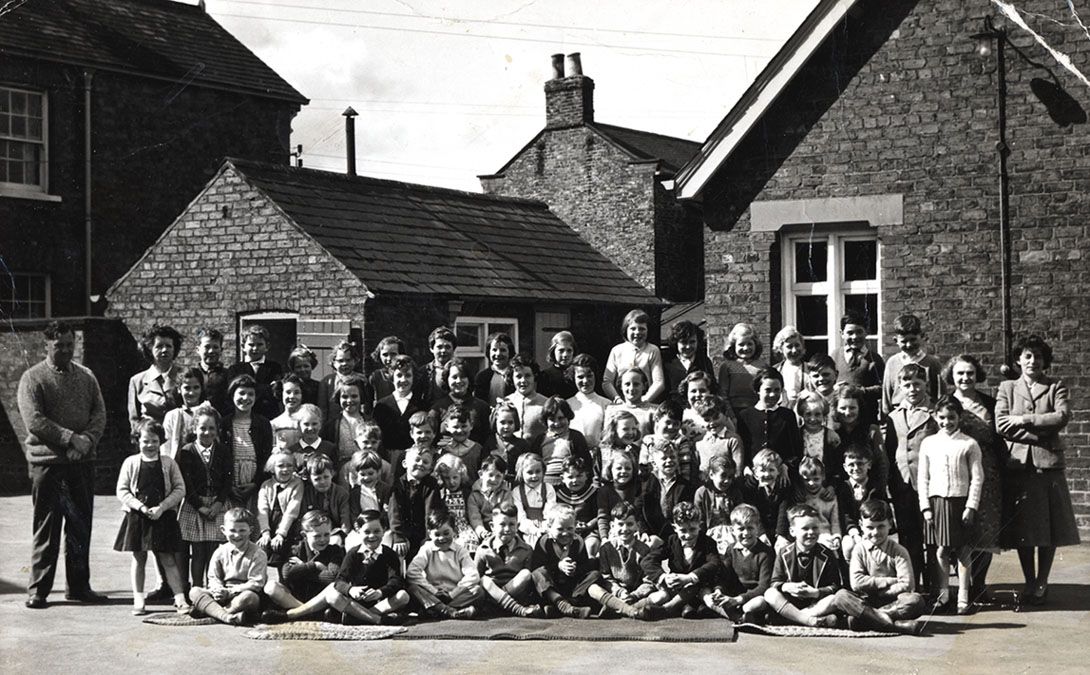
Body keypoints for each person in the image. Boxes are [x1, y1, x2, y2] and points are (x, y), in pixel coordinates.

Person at [18, 320, 108, 609]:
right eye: (59, 345)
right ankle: (39, 590)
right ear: (47, 345)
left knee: (80, 526)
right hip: (48, 464)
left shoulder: (87, 377)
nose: (66, 350)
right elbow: (35, 420)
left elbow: (99, 413)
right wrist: (70, 439)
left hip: (82, 462)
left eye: (70, 344)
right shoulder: (33, 379)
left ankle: (79, 587)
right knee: (47, 525)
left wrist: (86, 442)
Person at [995, 335, 1080, 608]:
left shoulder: (1056, 386)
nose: (1033, 362)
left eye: (1039, 357)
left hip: (1048, 467)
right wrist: (1041, 434)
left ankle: (1042, 582)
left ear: (1045, 361)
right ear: (1018, 360)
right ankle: (1028, 580)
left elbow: (1061, 417)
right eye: (1028, 356)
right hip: (1018, 466)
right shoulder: (1007, 387)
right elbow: (1001, 425)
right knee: (1023, 529)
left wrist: (1025, 419)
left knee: (1048, 528)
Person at [944, 354, 1003, 603]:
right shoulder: (946, 404)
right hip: (957, 472)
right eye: (960, 373)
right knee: (960, 530)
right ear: (952, 376)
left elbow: (999, 437)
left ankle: (979, 584)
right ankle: (962, 587)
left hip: (987, 473)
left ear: (977, 375)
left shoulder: (990, 403)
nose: (965, 378)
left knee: (984, 531)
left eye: (969, 373)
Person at [114, 418, 189, 615]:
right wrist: (139, 506)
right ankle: (139, 599)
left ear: (161, 441)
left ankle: (180, 599)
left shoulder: (168, 463)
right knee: (139, 558)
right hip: (138, 517)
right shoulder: (130, 463)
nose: (150, 445)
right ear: (137, 440)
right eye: (146, 441)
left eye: (154, 441)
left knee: (168, 558)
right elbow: (122, 491)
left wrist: (162, 507)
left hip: (162, 517)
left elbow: (180, 488)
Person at [883, 364, 936, 587]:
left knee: (931, 538)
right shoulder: (894, 416)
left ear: (925, 384)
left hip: (929, 484)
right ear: (900, 387)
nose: (913, 389)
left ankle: (935, 587)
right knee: (908, 538)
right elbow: (890, 449)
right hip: (902, 484)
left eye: (917, 384)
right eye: (907, 385)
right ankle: (914, 586)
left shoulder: (934, 413)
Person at [847, 499, 926, 634]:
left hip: (893, 602)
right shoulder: (859, 549)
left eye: (881, 526)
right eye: (870, 527)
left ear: (890, 524)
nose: (876, 532)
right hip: (867, 601)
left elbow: (907, 584)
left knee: (916, 601)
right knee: (844, 597)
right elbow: (856, 582)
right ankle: (896, 624)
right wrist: (890, 581)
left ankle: (871, 618)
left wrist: (878, 591)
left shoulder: (898, 551)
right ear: (861, 525)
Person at [176, 404, 231, 592]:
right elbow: (186, 483)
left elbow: (227, 481)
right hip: (195, 506)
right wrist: (200, 506)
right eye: (202, 428)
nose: (207, 432)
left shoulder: (223, 451)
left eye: (211, 428)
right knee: (198, 551)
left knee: (214, 551)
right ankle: (197, 589)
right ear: (194, 429)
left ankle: (214, 588)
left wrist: (218, 503)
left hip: (217, 505)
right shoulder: (187, 451)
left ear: (217, 430)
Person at [763, 504, 846, 628]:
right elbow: (775, 582)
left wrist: (815, 593)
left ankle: (792, 618)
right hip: (790, 602)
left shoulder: (827, 554)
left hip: (816, 604)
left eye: (815, 528)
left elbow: (835, 586)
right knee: (770, 594)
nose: (811, 532)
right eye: (805, 528)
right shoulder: (783, 552)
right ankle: (809, 621)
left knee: (834, 599)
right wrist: (787, 587)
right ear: (792, 531)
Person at [327, 510, 411, 624]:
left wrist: (380, 592)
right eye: (366, 532)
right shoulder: (353, 553)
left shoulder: (389, 554)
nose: (372, 536)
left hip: (380, 602)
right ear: (358, 531)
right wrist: (351, 590)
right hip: (358, 601)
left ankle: (358, 617)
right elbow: (340, 581)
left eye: (377, 531)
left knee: (403, 596)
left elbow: (396, 581)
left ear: (384, 531)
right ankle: (376, 619)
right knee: (332, 595)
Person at [261, 510, 345, 622]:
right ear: (304, 535)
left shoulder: (335, 550)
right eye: (317, 536)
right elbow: (287, 574)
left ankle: (297, 614)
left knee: (334, 589)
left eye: (326, 534)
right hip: (294, 598)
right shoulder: (295, 549)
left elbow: (332, 578)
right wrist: (315, 565)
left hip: (320, 599)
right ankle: (308, 614)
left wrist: (302, 568)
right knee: (271, 586)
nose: (323, 539)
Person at [188, 507, 267, 625]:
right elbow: (213, 577)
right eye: (232, 530)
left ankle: (217, 613)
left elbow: (256, 583)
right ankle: (227, 616)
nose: (237, 535)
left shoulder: (258, 553)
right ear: (223, 530)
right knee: (194, 591)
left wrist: (230, 592)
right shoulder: (220, 551)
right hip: (223, 595)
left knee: (249, 597)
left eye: (242, 531)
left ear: (250, 530)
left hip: (242, 594)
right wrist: (217, 590)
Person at [645, 501, 720, 618]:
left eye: (692, 529)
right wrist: (663, 577)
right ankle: (633, 607)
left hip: (699, 587)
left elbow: (714, 563)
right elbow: (648, 560)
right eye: (683, 531)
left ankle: (667, 609)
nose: (688, 535)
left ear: (700, 525)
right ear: (675, 528)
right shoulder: (671, 541)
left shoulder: (707, 542)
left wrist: (690, 577)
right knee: (660, 596)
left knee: (696, 589)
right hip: (676, 587)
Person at [586, 502, 660, 620]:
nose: (625, 529)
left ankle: (617, 609)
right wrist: (620, 592)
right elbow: (606, 577)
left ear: (637, 526)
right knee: (593, 589)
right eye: (620, 524)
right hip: (615, 593)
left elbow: (649, 582)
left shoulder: (644, 550)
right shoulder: (606, 548)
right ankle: (631, 611)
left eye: (630, 524)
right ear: (612, 526)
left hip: (636, 595)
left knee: (660, 595)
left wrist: (634, 595)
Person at [406, 509, 484, 619]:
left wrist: (453, 594)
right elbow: (412, 572)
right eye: (437, 534)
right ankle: (449, 611)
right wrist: (433, 591)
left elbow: (473, 575)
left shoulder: (460, 551)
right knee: (413, 588)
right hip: (433, 594)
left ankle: (435, 610)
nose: (442, 538)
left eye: (446, 533)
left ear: (454, 531)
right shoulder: (427, 549)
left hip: (455, 594)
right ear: (429, 533)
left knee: (478, 591)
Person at [474, 501, 545, 618]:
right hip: (491, 591)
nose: (507, 529)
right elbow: (476, 577)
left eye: (512, 524)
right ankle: (518, 610)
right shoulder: (483, 550)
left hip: (515, 594)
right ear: (492, 526)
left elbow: (529, 583)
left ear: (517, 525)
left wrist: (501, 594)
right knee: (484, 580)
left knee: (526, 574)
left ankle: (498, 606)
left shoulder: (526, 549)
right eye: (502, 524)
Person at [705, 504, 772, 623]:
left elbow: (764, 586)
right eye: (741, 529)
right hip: (733, 595)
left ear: (757, 527)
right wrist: (719, 590)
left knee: (758, 603)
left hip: (753, 596)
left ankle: (737, 615)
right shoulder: (731, 550)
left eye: (750, 528)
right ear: (733, 530)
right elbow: (723, 576)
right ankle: (741, 617)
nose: (746, 533)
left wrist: (738, 600)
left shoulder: (765, 552)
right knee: (709, 598)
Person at [530, 504, 599, 618]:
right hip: (551, 588)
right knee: (538, 573)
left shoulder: (579, 541)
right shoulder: (544, 542)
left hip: (571, 587)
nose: (565, 533)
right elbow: (536, 566)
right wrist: (558, 566)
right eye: (560, 529)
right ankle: (562, 604)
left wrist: (575, 569)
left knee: (595, 574)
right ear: (549, 527)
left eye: (570, 528)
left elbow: (585, 566)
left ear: (575, 526)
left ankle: (567, 605)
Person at [221, 374, 272, 512]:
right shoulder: (224, 423)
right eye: (241, 393)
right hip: (230, 482)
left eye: (251, 394)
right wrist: (228, 485)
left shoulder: (263, 423)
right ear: (232, 396)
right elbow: (221, 457)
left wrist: (255, 483)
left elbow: (266, 456)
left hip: (254, 480)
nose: (246, 398)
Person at [736, 368, 802, 473]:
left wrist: (786, 466)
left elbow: (795, 449)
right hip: (753, 474)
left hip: (782, 475)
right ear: (757, 390)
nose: (772, 394)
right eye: (768, 390)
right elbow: (742, 447)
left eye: (777, 390)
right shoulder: (745, 416)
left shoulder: (787, 415)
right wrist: (746, 467)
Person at [389, 446, 444, 559]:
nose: (421, 464)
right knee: (395, 550)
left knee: (427, 554)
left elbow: (431, 511)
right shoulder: (398, 484)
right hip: (403, 532)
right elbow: (395, 512)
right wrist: (398, 537)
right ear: (405, 464)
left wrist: (428, 538)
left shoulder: (431, 485)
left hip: (423, 532)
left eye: (425, 462)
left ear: (430, 468)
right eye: (417, 460)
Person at [881, 314, 942, 415]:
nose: (909, 345)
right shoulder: (892, 362)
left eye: (913, 339)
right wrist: (886, 418)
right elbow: (887, 394)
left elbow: (939, 394)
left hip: (926, 414)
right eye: (904, 341)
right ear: (896, 340)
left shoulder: (932, 363)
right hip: (898, 414)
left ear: (922, 336)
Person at [830, 383, 887, 490]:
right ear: (836, 409)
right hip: (840, 490)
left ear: (859, 408)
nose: (847, 412)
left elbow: (882, 465)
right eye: (843, 408)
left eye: (852, 408)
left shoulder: (872, 431)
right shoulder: (832, 433)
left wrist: (878, 491)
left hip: (869, 489)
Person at [127, 323, 184, 430]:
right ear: (150, 349)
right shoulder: (137, 381)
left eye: (168, 346)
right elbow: (134, 420)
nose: (164, 350)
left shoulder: (184, 376)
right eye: (159, 346)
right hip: (151, 440)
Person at [602, 309, 666, 404]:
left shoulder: (652, 350)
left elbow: (659, 382)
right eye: (633, 328)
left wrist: (645, 399)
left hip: (645, 403)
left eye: (642, 329)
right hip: (622, 403)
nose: (637, 332)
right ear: (626, 330)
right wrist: (617, 399)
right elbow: (607, 381)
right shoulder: (617, 350)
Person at [831, 312, 883, 425]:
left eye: (859, 332)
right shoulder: (835, 355)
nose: (855, 337)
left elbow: (882, 389)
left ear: (866, 332)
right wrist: (834, 388)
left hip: (866, 418)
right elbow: (827, 382)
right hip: (841, 418)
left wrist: (861, 391)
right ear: (842, 334)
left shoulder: (875, 358)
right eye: (850, 333)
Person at [529, 396, 592, 485]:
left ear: (568, 418)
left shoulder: (575, 437)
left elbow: (586, 464)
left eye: (561, 418)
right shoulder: (540, 439)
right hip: (545, 482)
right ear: (545, 420)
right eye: (552, 419)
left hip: (569, 482)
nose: (557, 423)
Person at [257, 451, 305, 567]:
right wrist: (265, 532)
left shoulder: (297, 484)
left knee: (282, 554)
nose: (285, 469)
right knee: (261, 551)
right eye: (280, 466)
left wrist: (281, 534)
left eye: (289, 466)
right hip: (269, 524)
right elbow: (262, 510)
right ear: (272, 468)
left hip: (288, 527)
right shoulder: (266, 485)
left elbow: (291, 511)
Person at [225, 324, 283, 421]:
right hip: (242, 416)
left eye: (259, 344)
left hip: (268, 416)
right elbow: (232, 393)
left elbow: (276, 392)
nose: (255, 348)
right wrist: (266, 388)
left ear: (267, 346)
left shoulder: (274, 367)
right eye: (251, 345)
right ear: (243, 346)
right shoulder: (235, 369)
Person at [429, 357, 491, 446]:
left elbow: (487, 439)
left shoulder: (482, 407)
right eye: (454, 377)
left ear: (469, 379)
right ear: (447, 379)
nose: (458, 381)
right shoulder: (438, 408)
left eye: (463, 376)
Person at [373, 355, 427, 453]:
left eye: (408, 375)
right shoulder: (381, 406)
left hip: (415, 457)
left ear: (414, 378)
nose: (403, 380)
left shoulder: (422, 405)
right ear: (392, 377)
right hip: (388, 459)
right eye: (399, 375)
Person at [693, 453, 744, 552]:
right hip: (710, 533)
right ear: (711, 475)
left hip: (731, 533)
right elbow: (700, 520)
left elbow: (740, 516)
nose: (727, 481)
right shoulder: (702, 493)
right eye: (723, 476)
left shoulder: (735, 492)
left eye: (730, 477)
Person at [639, 400, 696, 485]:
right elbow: (643, 463)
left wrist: (684, 487)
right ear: (657, 419)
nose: (671, 427)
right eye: (668, 422)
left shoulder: (681, 440)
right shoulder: (649, 440)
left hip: (675, 484)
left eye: (676, 424)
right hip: (652, 485)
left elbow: (685, 466)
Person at [717, 322, 767, 416]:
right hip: (734, 412)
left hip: (756, 411)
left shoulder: (762, 366)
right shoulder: (727, 366)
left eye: (749, 344)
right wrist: (730, 414)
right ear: (733, 346)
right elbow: (722, 393)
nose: (746, 348)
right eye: (741, 344)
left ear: (756, 345)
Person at [663, 320, 717, 405]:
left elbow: (712, 388)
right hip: (674, 410)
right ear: (676, 342)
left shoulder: (704, 361)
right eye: (683, 342)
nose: (688, 346)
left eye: (692, 342)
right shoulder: (668, 363)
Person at [554, 456, 600, 557]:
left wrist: (588, 525)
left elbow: (599, 515)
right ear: (563, 478)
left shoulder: (593, 493)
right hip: (565, 531)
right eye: (570, 477)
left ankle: (590, 567)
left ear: (586, 476)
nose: (575, 480)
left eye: (579, 476)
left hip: (588, 531)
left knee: (591, 545)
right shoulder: (559, 495)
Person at [435, 454, 478, 553]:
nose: (452, 482)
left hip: (464, 527)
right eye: (447, 478)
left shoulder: (466, 492)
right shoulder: (440, 493)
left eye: (455, 477)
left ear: (461, 476)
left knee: (469, 542)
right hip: (446, 527)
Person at [566, 353, 611, 448]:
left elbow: (608, 436)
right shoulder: (567, 404)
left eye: (589, 376)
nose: (585, 381)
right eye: (580, 377)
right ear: (573, 377)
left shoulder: (606, 404)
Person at [512, 453, 556, 547]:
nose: (534, 476)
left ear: (543, 472)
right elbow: (520, 517)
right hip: (525, 529)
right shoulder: (517, 492)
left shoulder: (548, 489)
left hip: (545, 528)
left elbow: (551, 512)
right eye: (530, 472)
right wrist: (533, 530)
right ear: (521, 473)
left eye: (538, 471)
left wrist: (543, 528)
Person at [467, 456, 512, 543]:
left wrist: (499, 529)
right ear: (481, 474)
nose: (494, 479)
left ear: (503, 477)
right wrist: (482, 532)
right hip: (482, 529)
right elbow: (475, 518)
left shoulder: (505, 493)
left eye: (498, 476)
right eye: (490, 475)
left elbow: (506, 513)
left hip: (501, 527)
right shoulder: (474, 496)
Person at [162, 367, 204, 460]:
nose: (191, 392)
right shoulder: (172, 416)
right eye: (187, 388)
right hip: (178, 467)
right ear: (179, 389)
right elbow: (166, 448)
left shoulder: (209, 413)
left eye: (196, 387)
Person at [504, 354, 548, 440]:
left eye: (527, 376)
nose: (523, 380)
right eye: (518, 376)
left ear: (534, 376)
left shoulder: (545, 403)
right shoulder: (505, 402)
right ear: (512, 378)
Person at [318, 340, 363, 423]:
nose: (344, 364)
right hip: (334, 425)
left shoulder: (361, 380)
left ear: (355, 361)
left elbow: (366, 406)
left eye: (348, 360)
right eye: (340, 361)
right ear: (333, 362)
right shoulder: (327, 382)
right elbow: (323, 410)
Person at [437, 404, 483, 483]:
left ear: (471, 425)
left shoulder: (478, 449)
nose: (460, 430)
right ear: (447, 426)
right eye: (455, 427)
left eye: (464, 426)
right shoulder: (443, 450)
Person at [195, 327, 230, 416]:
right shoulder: (191, 375)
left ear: (221, 350)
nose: (211, 351)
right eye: (207, 347)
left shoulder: (228, 375)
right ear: (198, 349)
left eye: (215, 347)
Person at [473, 331, 516, 404]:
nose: (498, 354)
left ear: (510, 352)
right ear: (489, 352)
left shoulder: (516, 375)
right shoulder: (482, 377)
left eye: (503, 350)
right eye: (494, 350)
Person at [771, 325, 806, 409]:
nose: (794, 350)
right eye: (789, 347)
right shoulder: (775, 370)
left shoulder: (810, 369)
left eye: (797, 345)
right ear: (780, 349)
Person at [421, 326, 458, 405]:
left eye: (447, 347)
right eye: (439, 347)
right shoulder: (423, 372)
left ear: (453, 349)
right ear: (432, 349)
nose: (443, 350)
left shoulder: (461, 370)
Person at [538, 330, 578, 399]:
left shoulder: (578, 374)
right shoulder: (545, 376)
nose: (565, 355)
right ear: (553, 352)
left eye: (569, 350)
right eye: (561, 350)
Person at [368, 336, 406, 405]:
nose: (389, 358)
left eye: (393, 354)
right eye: (385, 355)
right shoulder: (376, 376)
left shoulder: (407, 375)